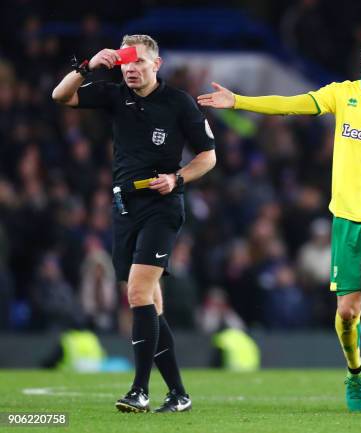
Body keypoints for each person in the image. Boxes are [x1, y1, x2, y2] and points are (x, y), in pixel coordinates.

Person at [198, 22, 361, 413]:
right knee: (347, 312)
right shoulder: (342, 94)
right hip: (346, 219)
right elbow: (291, 103)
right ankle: (355, 371)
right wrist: (239, 101)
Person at [52, 34, 216, 413]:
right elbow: (60, 96)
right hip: (124, 206)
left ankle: (139, 390)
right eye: (126, 62)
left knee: (138, 294)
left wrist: (176, 179)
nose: (131, 69)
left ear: (155, 65)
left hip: (162, 205)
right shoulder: (114, 96)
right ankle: (178, 394)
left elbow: (208, 157)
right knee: (151, 305)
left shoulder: (178, 103)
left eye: (140, 62)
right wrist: (87, 66)